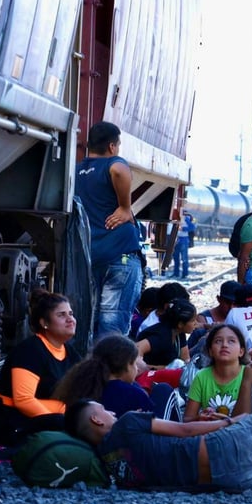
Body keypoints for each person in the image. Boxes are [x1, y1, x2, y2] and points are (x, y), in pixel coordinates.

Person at [65, 399, 252, 496]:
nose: (110, 411)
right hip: (219, 450)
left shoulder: (111, 466)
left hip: (223, 481)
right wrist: (230, 422)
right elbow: (184, 429)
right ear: (95, 419)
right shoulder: (126, 423)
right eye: (103, 409)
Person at [0, 290, 81, 452]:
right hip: (13, 426)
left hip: (47, 421)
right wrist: (61, 420)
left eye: (71, 313)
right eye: (61, 315)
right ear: (44, 323)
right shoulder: (29, 351)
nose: (70, 320)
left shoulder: (70, 352)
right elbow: (24, 400)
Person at [75, 121, 143, 340]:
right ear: (112, 146)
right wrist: (125, 207)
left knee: (90, 323)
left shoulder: (77, 170)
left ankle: (92, 372)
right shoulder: (113, 163)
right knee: (112, 325)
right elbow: (119, 169)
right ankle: (110, 372)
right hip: (119, 255)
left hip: (91, 257)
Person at [53, 334, 172, 418]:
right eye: (134, 364)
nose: (136, 369)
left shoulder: (82, 385)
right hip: (126, 448)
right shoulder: (133, 393)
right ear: (127, 365)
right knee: (163, 390)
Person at [183, 324, 248, 422]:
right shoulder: (202, 376)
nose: (224, 345)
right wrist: (200, 418)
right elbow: (187, 420)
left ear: (241, 351)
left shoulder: (249, 375)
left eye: (231, 341)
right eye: (218, 341)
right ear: (210, 351)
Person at [136, 298, 198, 368]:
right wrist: (148, 368)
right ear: (180, 324)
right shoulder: (161, 336)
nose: (196, 323)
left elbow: (186, 359)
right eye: (193, 320)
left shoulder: (179, 333)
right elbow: (137, 348)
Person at [171, 211, 195, 279]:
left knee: (184, 259)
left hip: (184, 241)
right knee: (176, 258)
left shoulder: (185, 219)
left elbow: (192, 227)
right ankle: (176, 273)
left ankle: (185, 274)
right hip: (176, 241)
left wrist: (183, 229)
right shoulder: (174, 219)